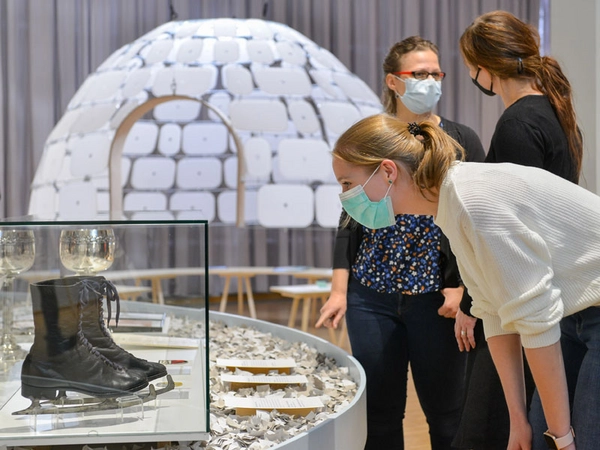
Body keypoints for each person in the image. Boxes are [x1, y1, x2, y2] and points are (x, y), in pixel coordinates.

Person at [331, 113, 600, 450]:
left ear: (387, 171)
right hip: (576, 312)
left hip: (587, 310)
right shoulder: (450, 204)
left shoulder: (472, 200)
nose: (345, 196)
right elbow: (492, 311)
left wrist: (562, 439)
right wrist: (517, 421)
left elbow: (535, 320)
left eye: (346, 183)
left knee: (577, 438)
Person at [315, 36, 485, 450]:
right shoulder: (373, 135)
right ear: (393, 81)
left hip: (436, 297)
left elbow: (477, 222)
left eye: (435, 73)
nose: (429, 81)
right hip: (371, 291)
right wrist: (339, 290)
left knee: (447, 414)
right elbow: (349, 218)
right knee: (379, 413)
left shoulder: (461, 139)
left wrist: (464, 290)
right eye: (418, 73)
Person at [454, 10, 584, 450]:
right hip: (543, 293)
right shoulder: (551, 110)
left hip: (525, 299)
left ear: (483, 67)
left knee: (492, 428)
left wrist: (472, 303)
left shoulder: (517, 125)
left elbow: (507, 233)